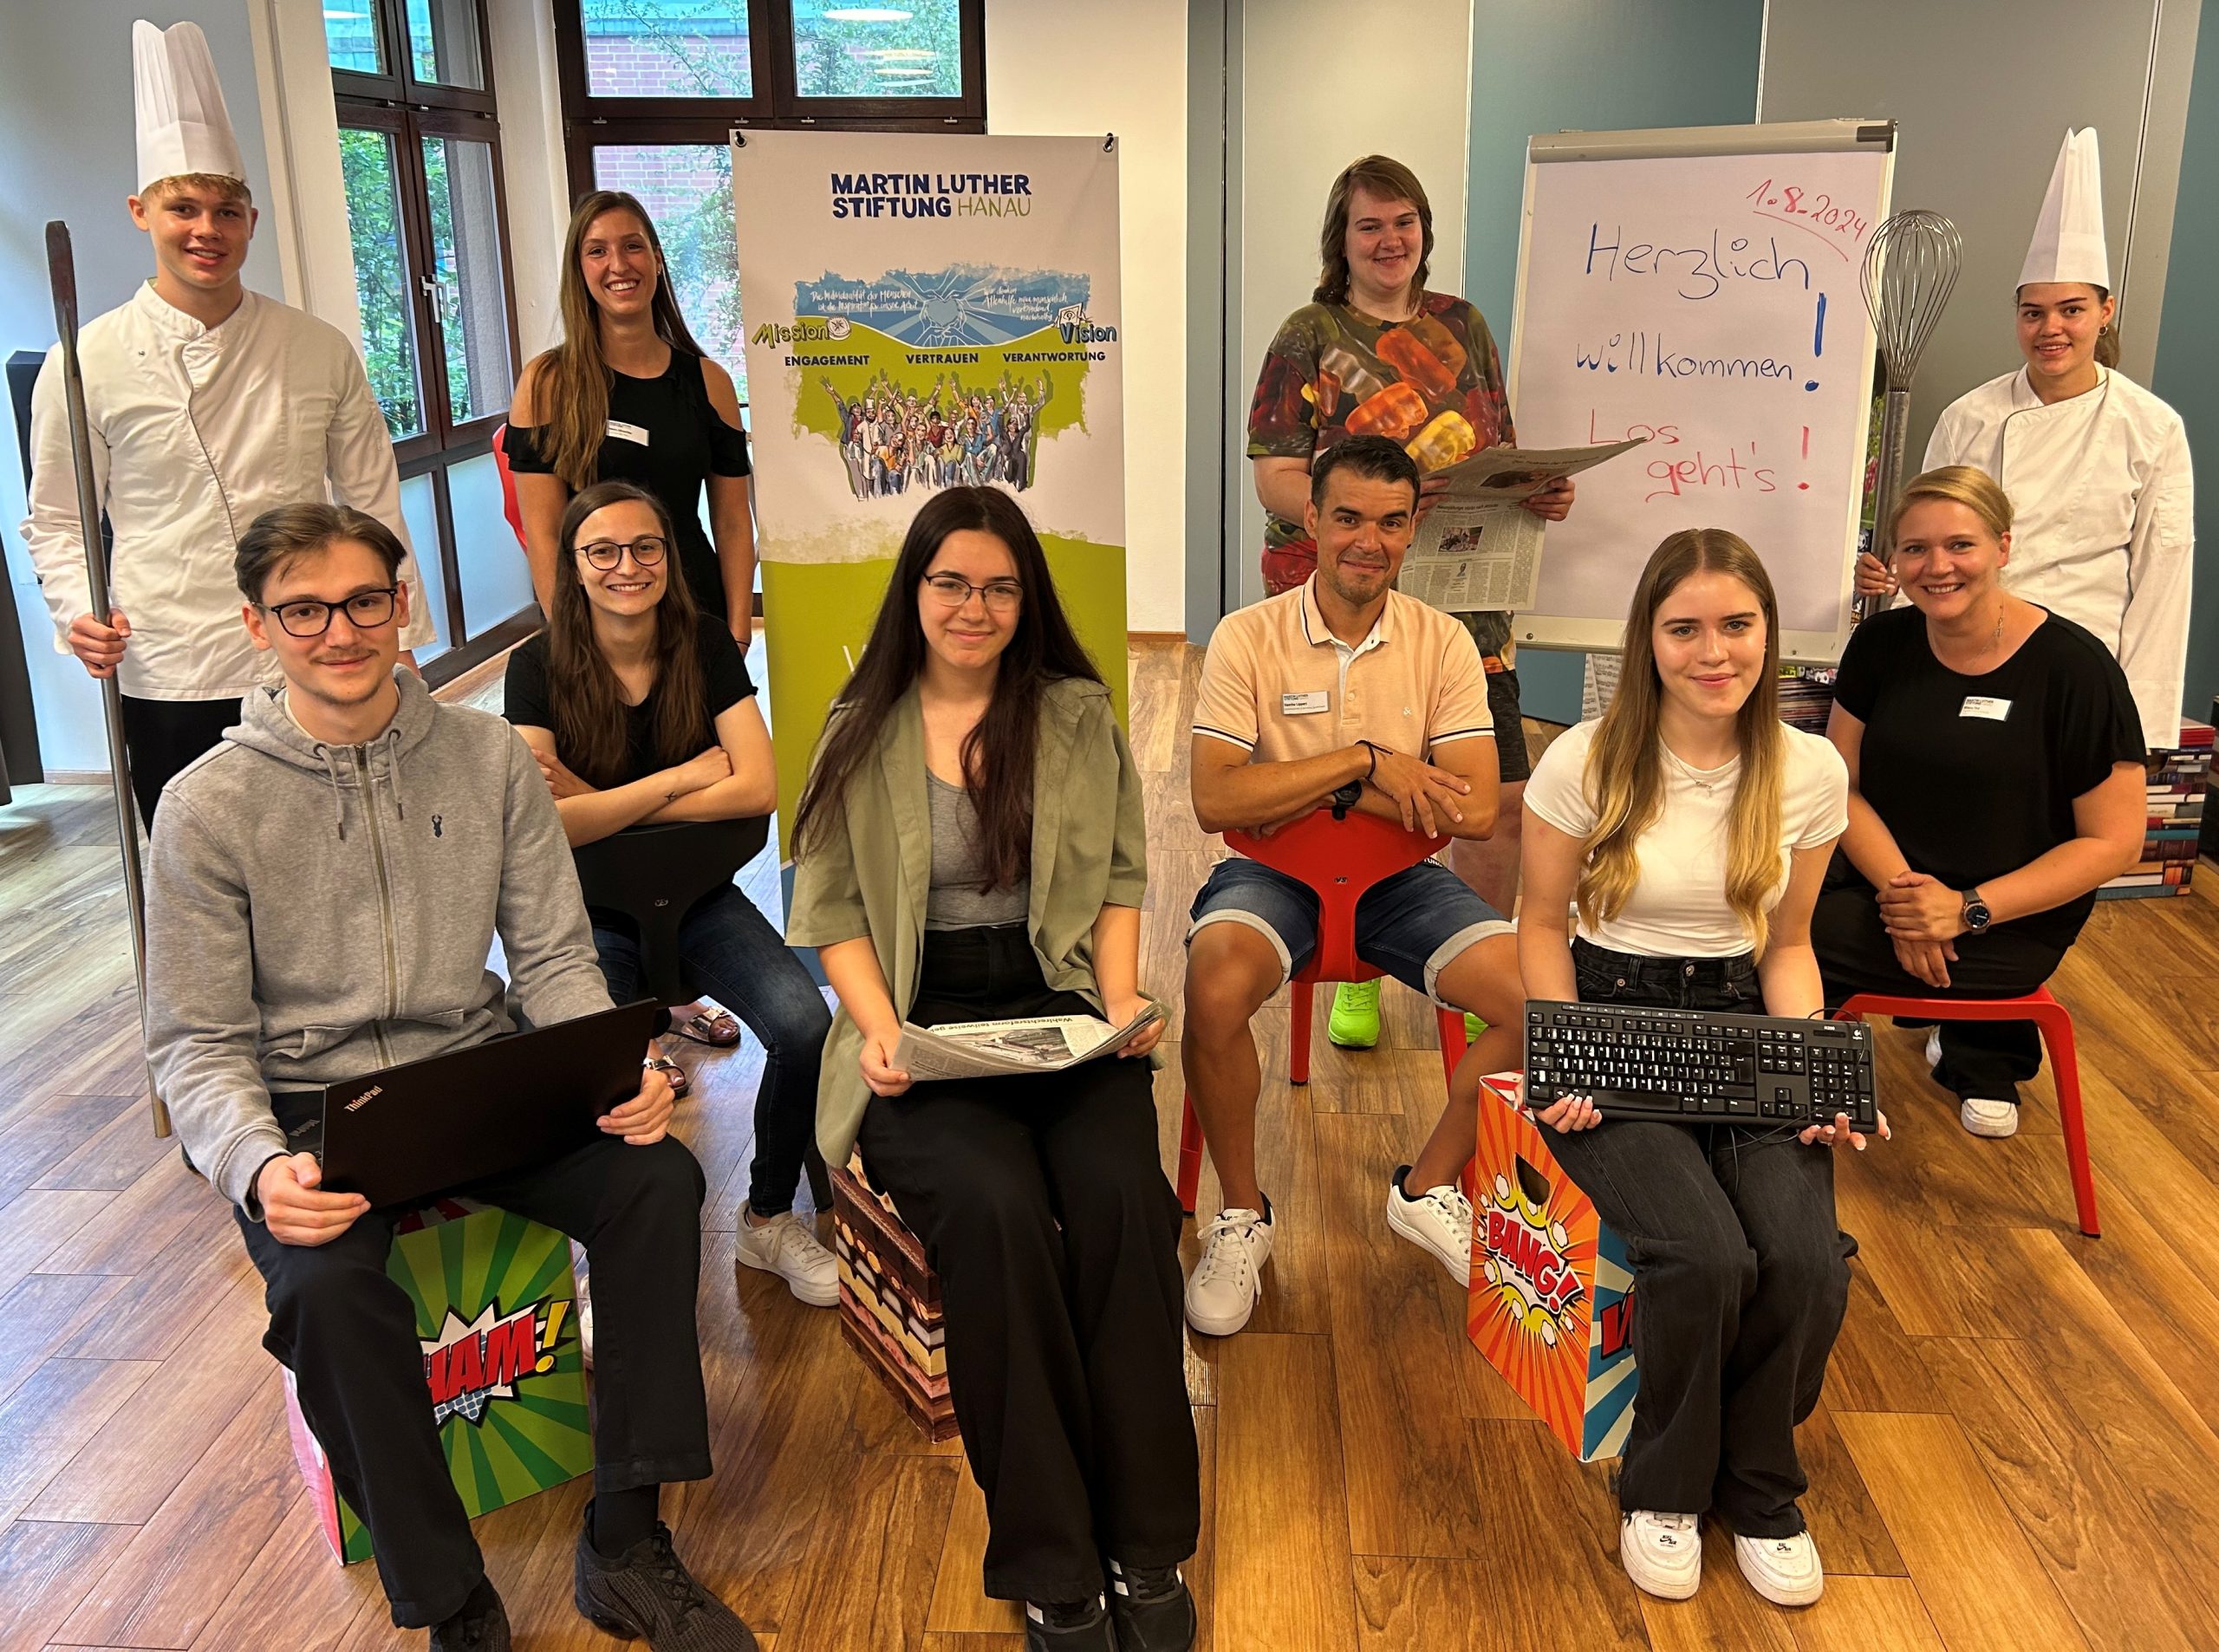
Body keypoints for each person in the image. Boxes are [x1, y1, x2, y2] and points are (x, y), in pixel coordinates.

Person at [142, 503, 753, 1651]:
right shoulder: (207, 806)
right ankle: (452, 1599)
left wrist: (620, 1064)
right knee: (324, 1292)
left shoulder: (486, 758)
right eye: (303, 610)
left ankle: (627, 1539)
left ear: (403, 605)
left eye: (364, 600)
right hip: (310, 1116)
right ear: (257, 625)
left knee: (656, 1182)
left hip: (475, 1073)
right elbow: (195, 1040)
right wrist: (256, 1165)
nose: (340, 631)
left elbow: (555, 958)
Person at [788, 487, 1198, 1652]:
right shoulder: (859, 725)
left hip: (1054, 998)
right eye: (952, 583)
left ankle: (1146, 1539)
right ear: (914, 592)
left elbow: (1119, 873)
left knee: (1123, 1199)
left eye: (1000, 587)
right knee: (994, 1208)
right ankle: (1052, 1559)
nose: (975, 608)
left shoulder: (1072, 713)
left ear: (1028, 600)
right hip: (919, 1013)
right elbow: (828, 908)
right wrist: (877, 1028)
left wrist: (1118, 999)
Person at [1519, 529, 1871, 1610]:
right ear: (1647, 637)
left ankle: (1759, 1486)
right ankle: (1663, 1486)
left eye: (1736, 625)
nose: (1713, 651)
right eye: (1684, 628)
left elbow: (1789, 944)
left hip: (1744, 1017)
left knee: (1805, 1259)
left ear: (1769, 632)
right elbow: (1537, 923)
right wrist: (1565, 1051)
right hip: (1609, 1008)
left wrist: (1811, 1077)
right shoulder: (1584, 758)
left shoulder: (1810, 769)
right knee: (1705, 1255)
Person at [23, 20, 432, 826]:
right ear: (141, 212)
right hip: (169, 661)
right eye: (183, 208)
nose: (206, 230)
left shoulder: (315, 347)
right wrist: (78, 612)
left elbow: (372, 505)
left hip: (316, 652)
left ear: (251, 220)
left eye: (226, 210)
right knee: (195, 861)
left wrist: (403, 635)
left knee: (340, 852)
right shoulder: (86, 359)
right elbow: (60, 520)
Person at [1181, 435, 1526, 1337]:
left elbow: (1475, 808)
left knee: (1538, 1001)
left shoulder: (1443, 641)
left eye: (1390, 522)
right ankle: (1241, 1215)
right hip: (1273, 872)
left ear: (1412, 530)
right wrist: (1367, 764)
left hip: (1401, 878)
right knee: (1213, 986)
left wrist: (1300, 784)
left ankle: (1427, 1187)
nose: (1367, 542)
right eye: (1347, 519)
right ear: (1311, 520)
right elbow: (1217, 799)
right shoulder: (1247, 637)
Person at [1247, 153, 1574, 1051]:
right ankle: (1352, 965)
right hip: (1347, 608)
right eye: (1370, 225)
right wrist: (1369, 520)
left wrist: (1535, 491)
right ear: (1342, 239)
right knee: (1353, 793)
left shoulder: (1464, 325)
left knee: (1496, 801)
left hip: (1469, 609)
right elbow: (1276, 478)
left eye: (1404, 223)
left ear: (1424, 232)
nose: (1389, 240)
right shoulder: (1309, 334)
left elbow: (1495, 451)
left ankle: (1467, 966)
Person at [503, 479, 836, 1305]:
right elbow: (542, 824)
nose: (627, 566)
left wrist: (598, 801)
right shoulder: (536, 665)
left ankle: (767, 1217)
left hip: (699, 898)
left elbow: (758, 787)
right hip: (589, 915)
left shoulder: (705, 643)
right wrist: (683, 779)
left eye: (645, 547)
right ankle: (601, 1256)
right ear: (574, 565)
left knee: (805, 1026)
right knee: (581, 1065)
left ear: (670, 557)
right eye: (602, 551)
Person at [1819, 465, 2145, 1136]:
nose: (1937, 566)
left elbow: (2115, 842)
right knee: (1758, 908)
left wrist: (1965, 909)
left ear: (2003, 546)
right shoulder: (1881, 644)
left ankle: (1804, 1103)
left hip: (2011, 917)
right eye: (1915, 548)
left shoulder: (2075, 670)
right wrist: (1910, 902)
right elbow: (1839, 783)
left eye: (1960, 545)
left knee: (1786, 943)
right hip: (1887, 885)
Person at [1856, 127, 2193, 751]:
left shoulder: (2151, 427)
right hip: (1960, 653)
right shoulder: (1969, 416)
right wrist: (1889, 585)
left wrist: (2139, 730)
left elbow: (2162, 581)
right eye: (2033, 312)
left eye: (2071, 310)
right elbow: (1927, 545)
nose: (2050, 328)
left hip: (2080, 668)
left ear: (2105, 312)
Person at [507, 190, 756, 641]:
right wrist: (569, 639)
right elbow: (544, 534)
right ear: (579, 270)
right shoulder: (547, 383)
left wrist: (737, 634)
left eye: (632, 246)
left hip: (697, 614)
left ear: (657, 260)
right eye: (597, 251)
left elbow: (734, 523)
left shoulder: (710, 383)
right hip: (596, 624)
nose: (619, 265)